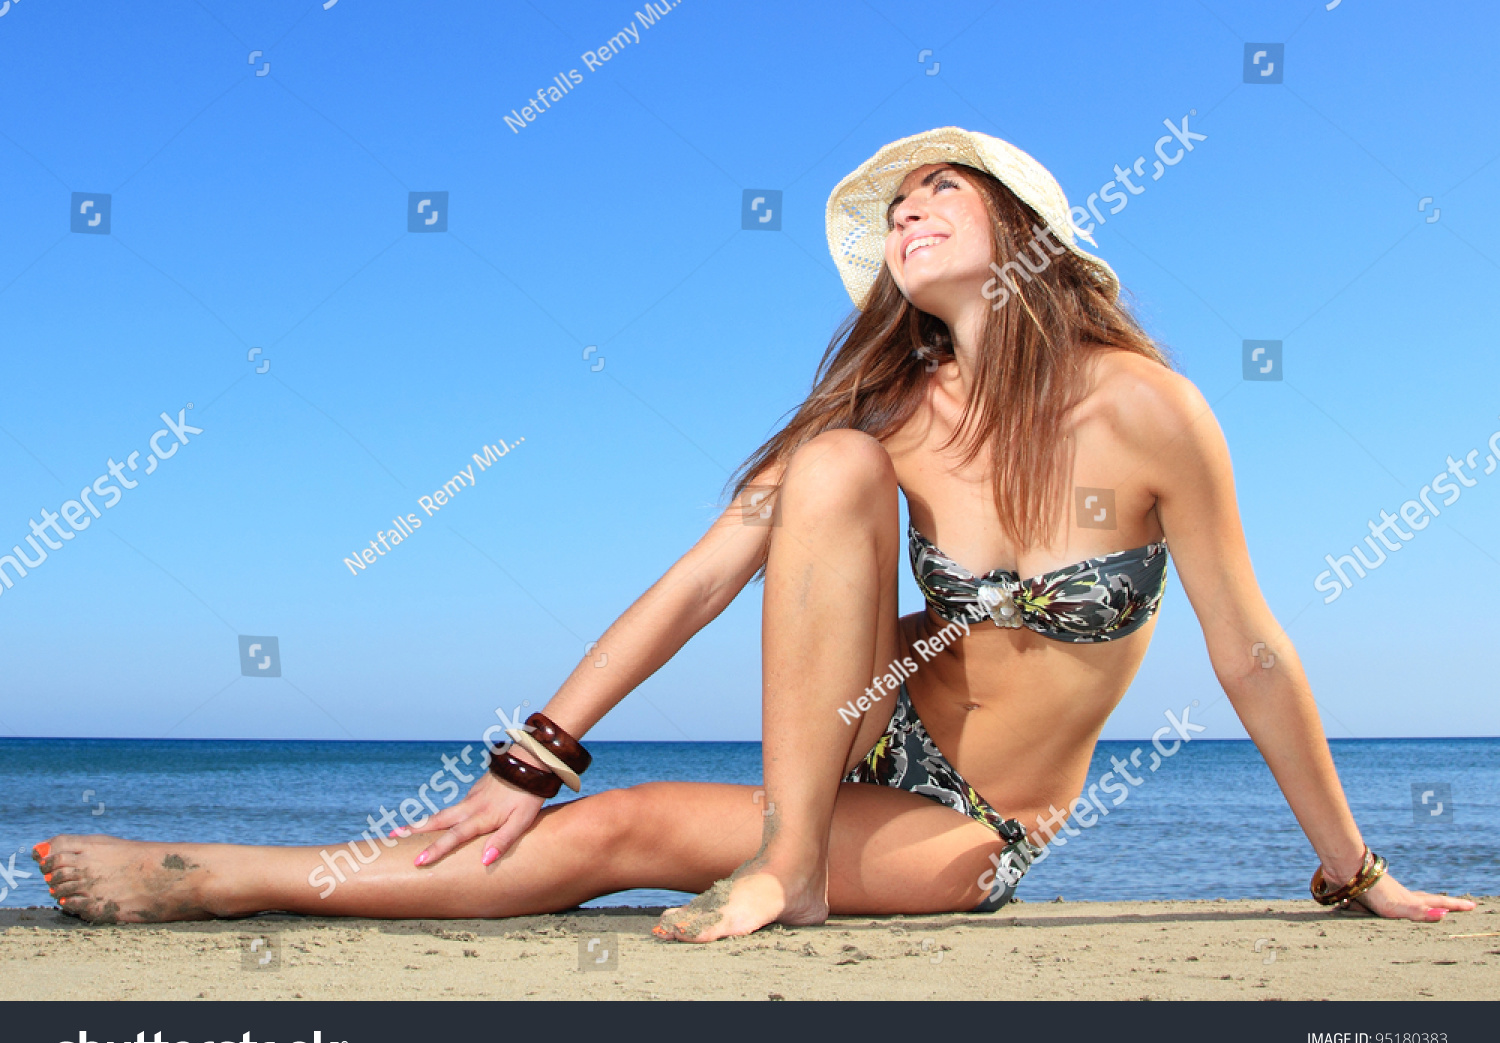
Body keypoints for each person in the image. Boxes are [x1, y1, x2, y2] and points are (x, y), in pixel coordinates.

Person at [33, 126, 1473, 938]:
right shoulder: (891, 414)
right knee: (827, 474)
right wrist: (525, 753)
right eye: (893, 212)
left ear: (1025, 227)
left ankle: (219, 873)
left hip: (969, 827)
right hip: (853, 743)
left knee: (636, 830)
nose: (908, 216)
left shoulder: (1147, 412)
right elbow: (711, 572)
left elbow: (1254, 651)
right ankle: (775, 864)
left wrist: (1356, 867)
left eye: (939, 193)